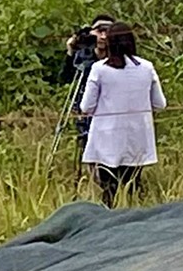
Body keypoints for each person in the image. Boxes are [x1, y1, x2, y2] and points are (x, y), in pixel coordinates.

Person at [79, 22, 166, 208]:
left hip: (106, 139)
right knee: (133, 187)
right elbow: (160, 103)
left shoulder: (99, 69)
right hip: (137, 138)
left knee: (108, 192)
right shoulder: (147, 67)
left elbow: (86, 106)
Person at [60, 14, 114, 158]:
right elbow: (66, 78)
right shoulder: (83, 56)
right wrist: (71, 51)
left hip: (112, 111)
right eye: (99, 31)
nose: (103, 36)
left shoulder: (119, 58)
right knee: (88, 148)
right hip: (87, 111)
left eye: (107, 32)